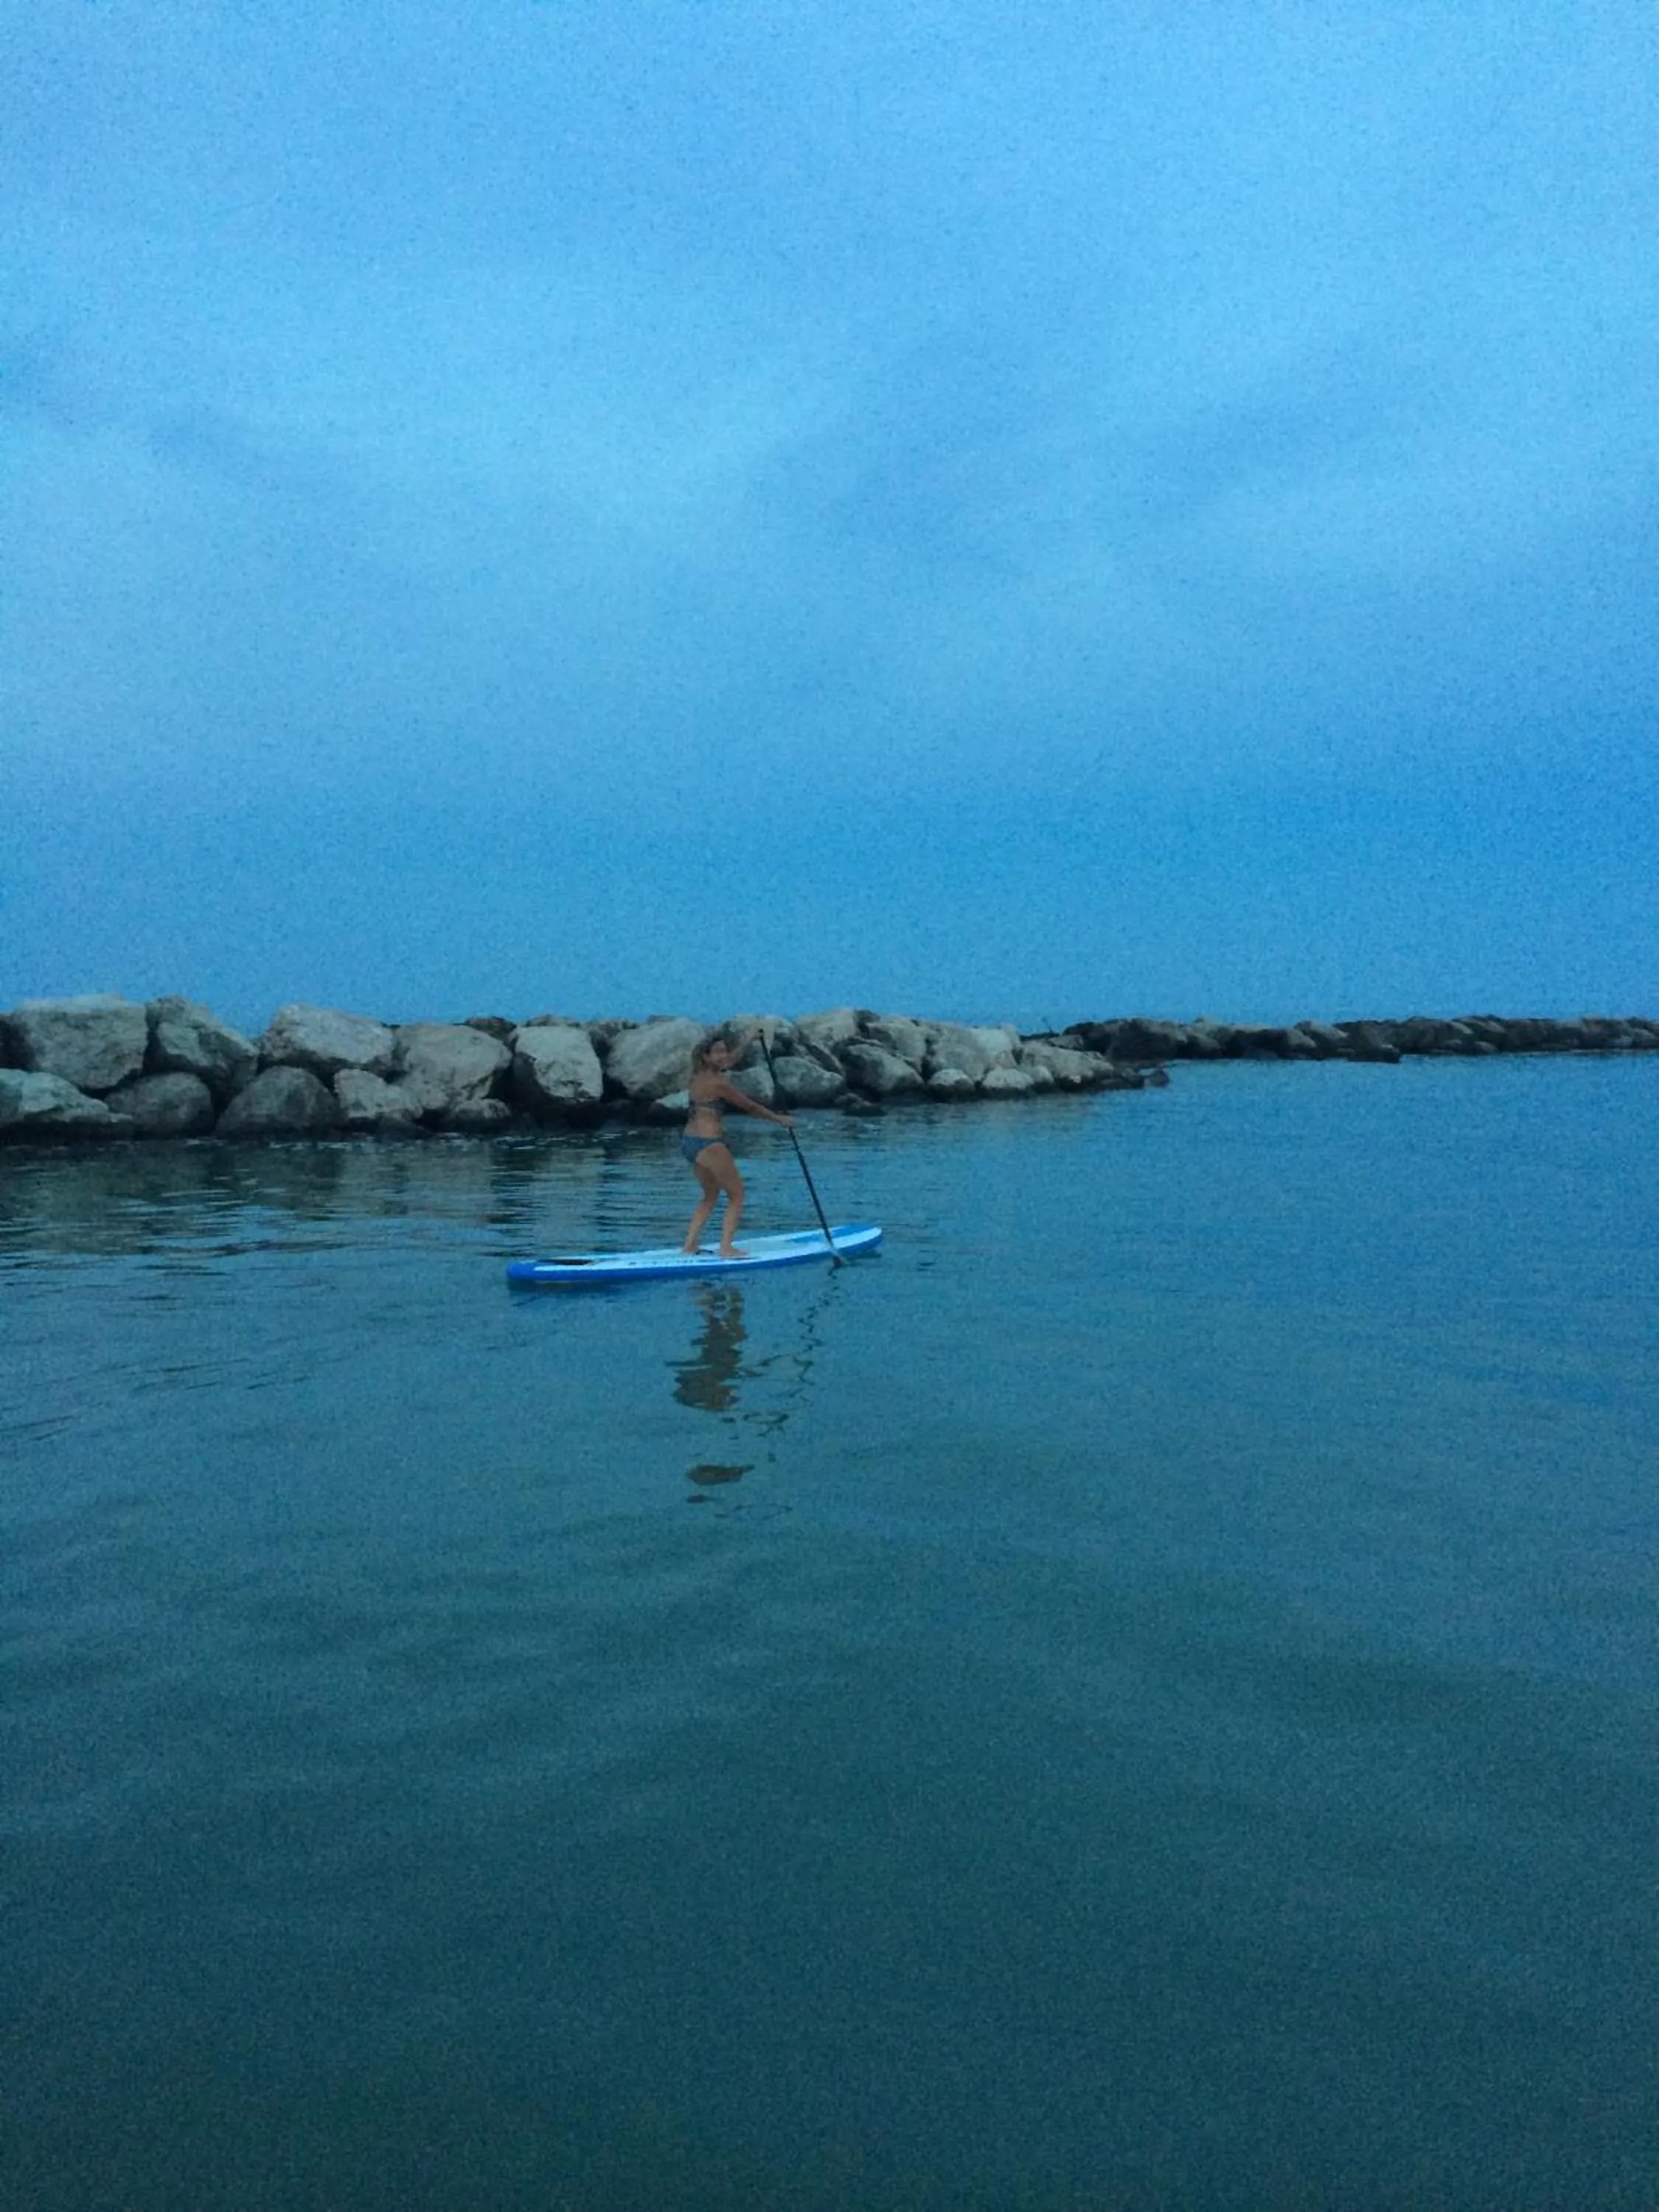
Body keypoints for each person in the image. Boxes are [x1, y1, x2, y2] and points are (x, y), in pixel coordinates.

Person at [681, 1030, 795, 1259]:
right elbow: (750, 1107)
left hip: (689, 1143)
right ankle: (726, 1248)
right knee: (737, 1195)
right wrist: (779, 1120)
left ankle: (690, 1245)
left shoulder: (698, 1075)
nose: (724, 1056)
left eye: (725, 1051)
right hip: (709, 1144)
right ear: (706, 1056)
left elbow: (731, 1060)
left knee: (710, 1195)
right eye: (718, 1052)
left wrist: (750, 1039)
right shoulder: (717, 1084)